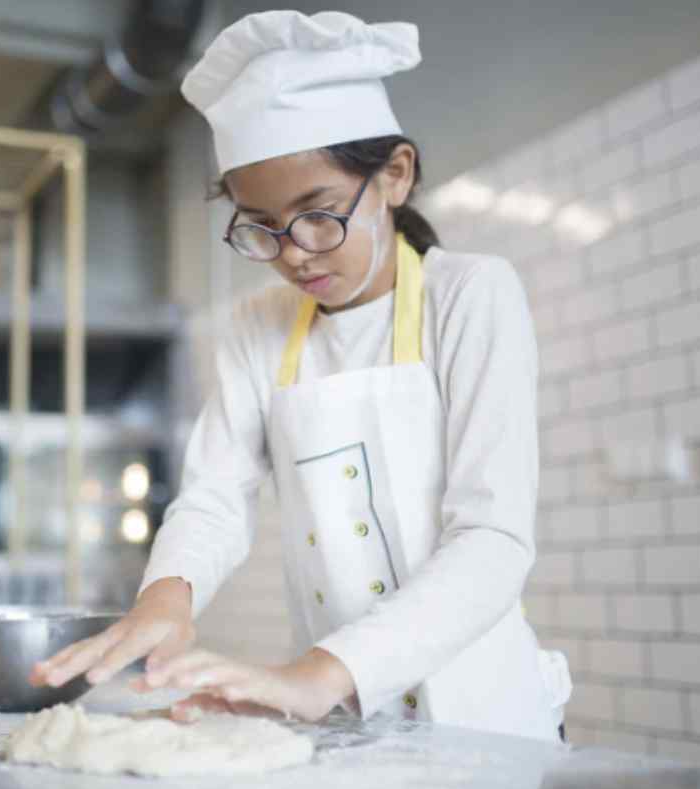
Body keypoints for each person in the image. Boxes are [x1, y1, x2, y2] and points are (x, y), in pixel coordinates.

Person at [31, 9, 572, 741]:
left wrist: (316, 675)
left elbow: (492, 539)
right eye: (260, 226)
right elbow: (216, 498)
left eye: (318, 216)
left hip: (487, 721)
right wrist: (165, 597)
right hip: (349, 726)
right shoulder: (258, 325)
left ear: (395, 176)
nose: (295, 255)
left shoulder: (472, 295)